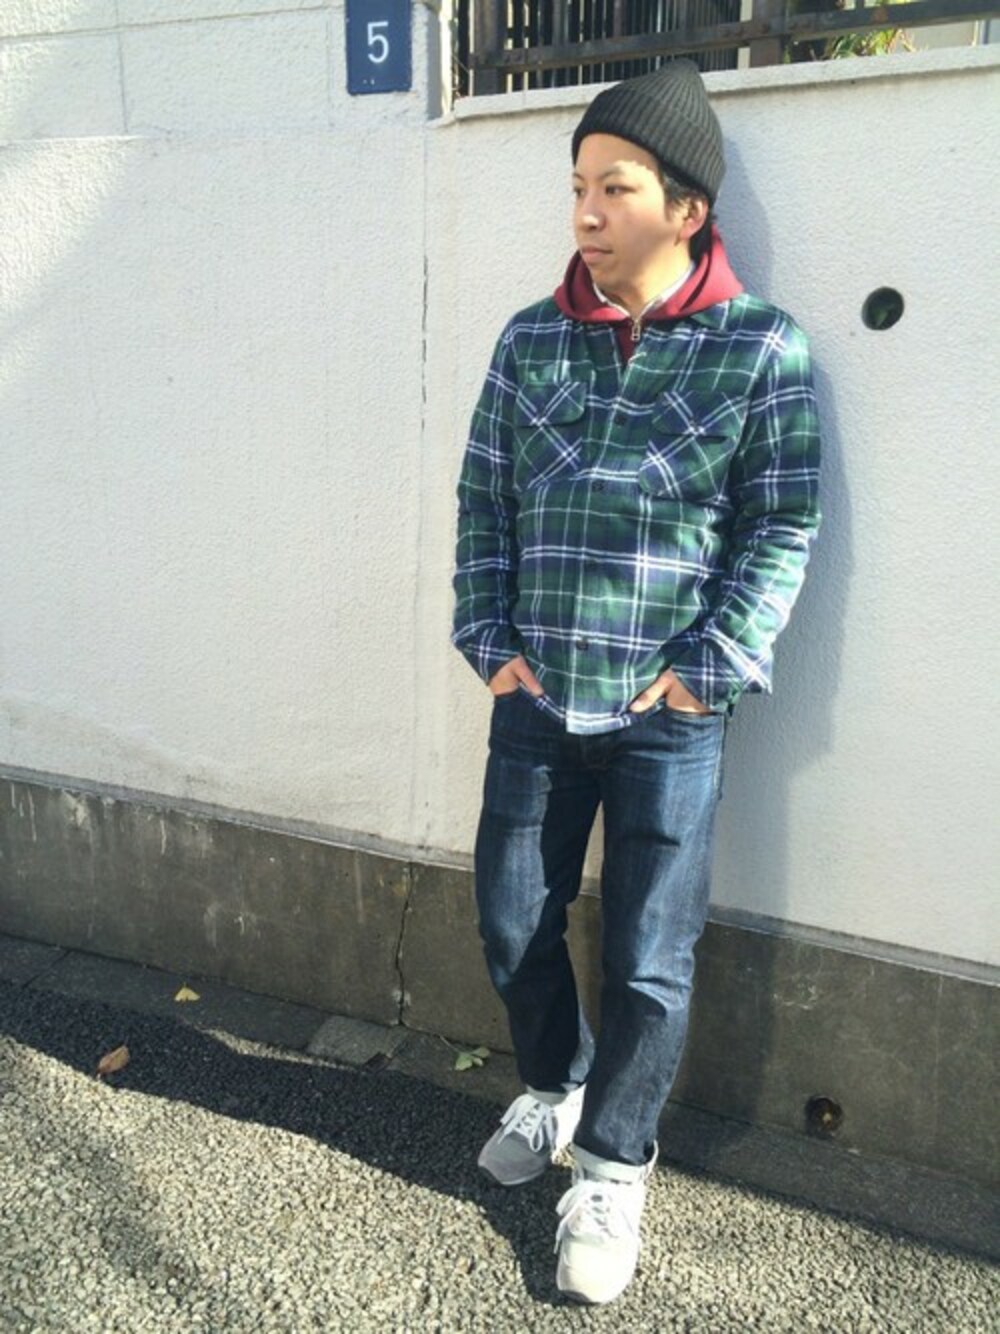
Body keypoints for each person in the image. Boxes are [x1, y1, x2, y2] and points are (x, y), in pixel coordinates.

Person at [451, 59, 821, 1306]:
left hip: (669, 712)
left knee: (650, 957)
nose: (585, 211)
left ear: (687, 209)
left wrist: (707, 671)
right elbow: (482, 499)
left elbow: (781, 525)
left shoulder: (760, 349)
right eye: (577, 186)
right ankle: (553, 1085)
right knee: (510, 916)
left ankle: (612, 1167)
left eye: (614, 187)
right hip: (538, 693)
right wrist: (486, 635)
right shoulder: (530, 338)